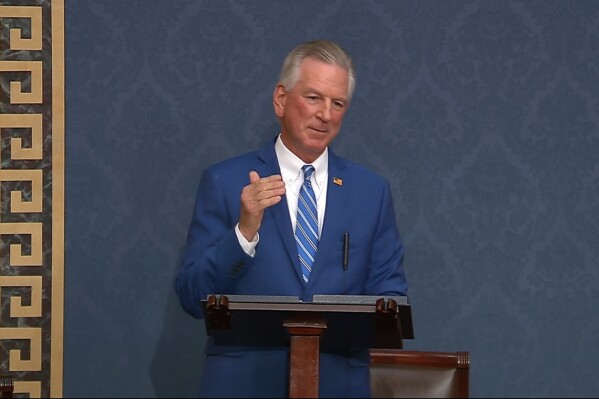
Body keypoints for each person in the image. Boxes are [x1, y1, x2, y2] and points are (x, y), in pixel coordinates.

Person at [175, 39, 409, 398]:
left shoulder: (370, 191)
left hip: (337, 384)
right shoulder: (225, 181)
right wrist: (243, 233)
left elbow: (389, 299)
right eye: (314, 98)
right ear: (281, 99)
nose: (326, 114)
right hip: (242, 384)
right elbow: (192, 296)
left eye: (338, 103)